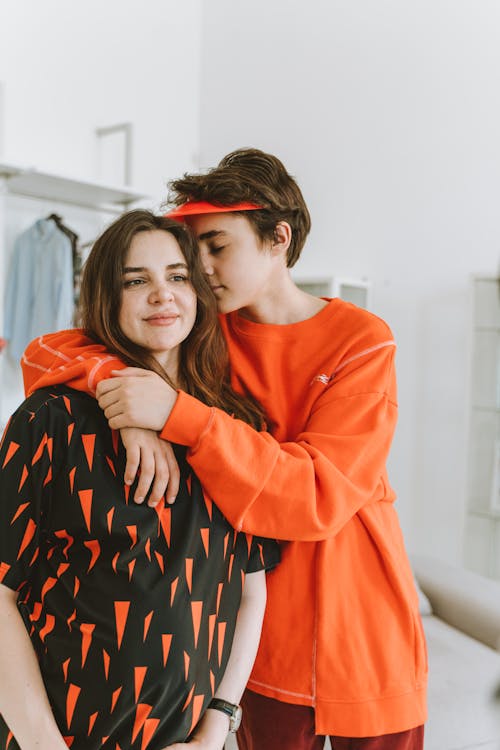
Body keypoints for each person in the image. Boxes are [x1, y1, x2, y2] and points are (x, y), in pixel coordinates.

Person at [21, 149, 427, 749]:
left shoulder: (363, 342)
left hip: (362, 631)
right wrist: (124, 398)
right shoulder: (202, 336)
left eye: (216, 244)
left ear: (277, 238)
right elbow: (48, 353)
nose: (200, 267)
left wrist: (174, 412)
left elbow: (315, 495)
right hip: (254, 636)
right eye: (192, 251)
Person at [0, 209, 280, 750]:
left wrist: (215, 729)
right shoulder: (49, 420)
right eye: (137, 280)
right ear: (108, 297)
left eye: (178, 276)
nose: (162, 295)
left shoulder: (237, 427)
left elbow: (252, 591)